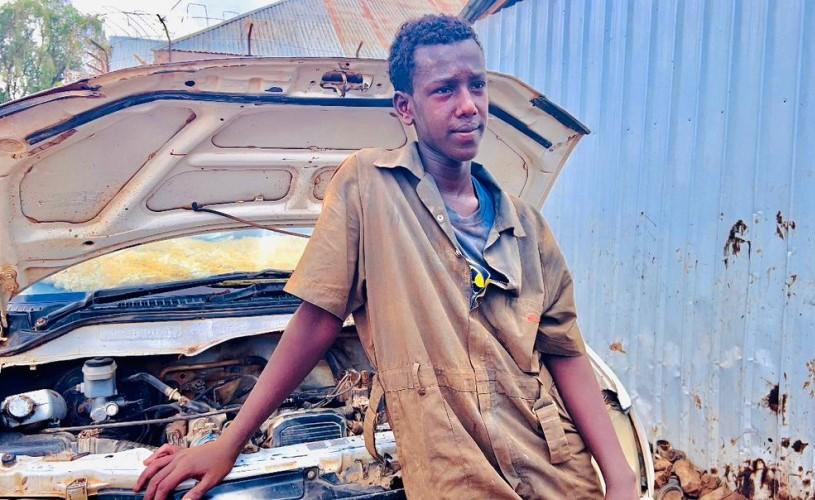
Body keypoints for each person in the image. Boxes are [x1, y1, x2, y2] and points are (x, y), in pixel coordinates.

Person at [135, 14, 638, 500]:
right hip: (456, 475)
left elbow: (563, 351)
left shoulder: (528, 226)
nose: (468, 105)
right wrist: (230, 441)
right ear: (405, 107)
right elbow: (317, 320)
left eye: (477, 86)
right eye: (444, 90)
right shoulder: (368, 187)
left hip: (556, 470)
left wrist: (620, 478)